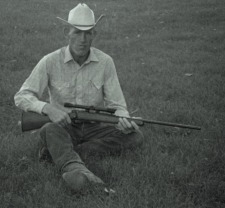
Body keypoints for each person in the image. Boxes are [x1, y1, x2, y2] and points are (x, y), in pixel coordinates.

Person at [14, 3, 144, 192]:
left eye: (88, 33)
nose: (82, 39)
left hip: (95, 128)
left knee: (135, 136)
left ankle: (62, 152)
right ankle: (77, 172)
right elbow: (22, 96)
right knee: (49, 129)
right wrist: (49, 109)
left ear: (94, 34)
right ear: (66, 32)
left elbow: (117, 104)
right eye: (77, 32)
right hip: (63, 127)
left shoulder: (106, 62)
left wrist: (123, 117)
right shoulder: (50, 61)